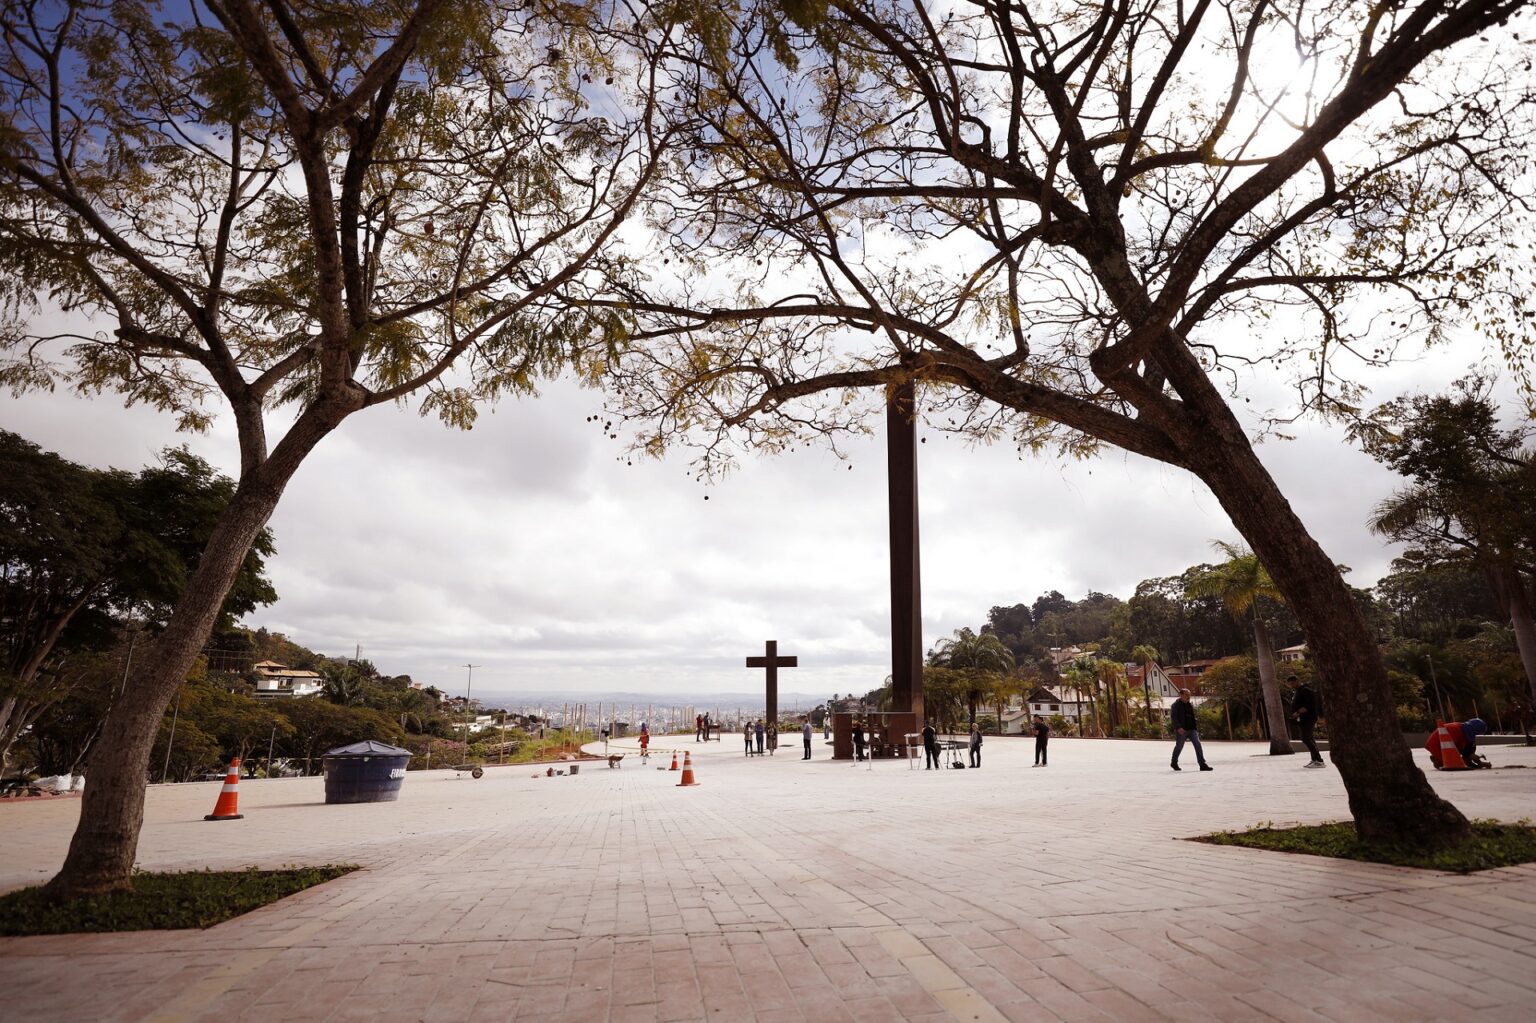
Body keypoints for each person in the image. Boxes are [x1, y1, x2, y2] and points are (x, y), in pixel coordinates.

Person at [1170, 689, 1212, 772]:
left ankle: (1202, 764)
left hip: (1192, 729)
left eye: (1189, 695)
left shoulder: (1189, 704)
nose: (1188, 697)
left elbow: (1192, 717)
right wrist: (1178, 727)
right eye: (1186, 695)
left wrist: (1195, 728)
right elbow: (1174, 717)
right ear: (1181, 695)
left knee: (1197, 744)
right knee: (1179, 746)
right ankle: (1174, 762)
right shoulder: (1175, 705)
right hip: (1182, 730)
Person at [1426, 718, 1491, 769]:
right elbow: (1451, 750)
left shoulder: (1462, 729)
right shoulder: (1454, 730)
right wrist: (1468, 758)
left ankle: (1439, 759)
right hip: (1436, 745)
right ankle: (1437, 759)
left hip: (1446, 744)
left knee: (1469, 745)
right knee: (1453, 764)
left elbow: (1468, 748)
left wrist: (1478, 761)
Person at [1290, 675, 1325, 768]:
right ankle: (1314, 759)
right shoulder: (1298, 691)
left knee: (1305, 738)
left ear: (1297, 680)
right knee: (1309, 738)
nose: (1291, 685)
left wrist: (1297, 712)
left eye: (1292, 683)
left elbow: (1309, 705)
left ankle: (1319, 760)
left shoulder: (1306, 690)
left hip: (1309, 718)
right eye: (1290, 684)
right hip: (1303, 718)